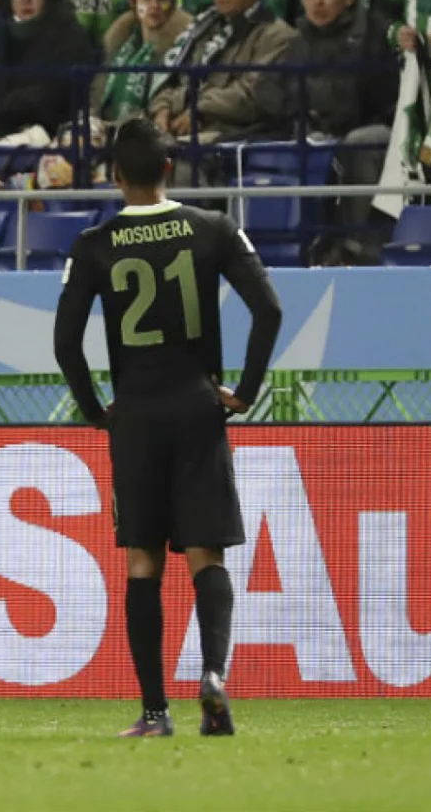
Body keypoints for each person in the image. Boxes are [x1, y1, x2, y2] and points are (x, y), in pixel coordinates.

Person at [53, 117, 282, 737]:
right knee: (206, 552)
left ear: (114, 176)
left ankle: (155, 711)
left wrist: (93, 408)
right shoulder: (213, 228)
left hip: (137, 414)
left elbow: (65, 344)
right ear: (171, 170)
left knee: (143, 560)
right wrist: (246, 392)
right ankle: (213, 674)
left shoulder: (94, 245)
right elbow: (269, 308)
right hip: (197, 405)